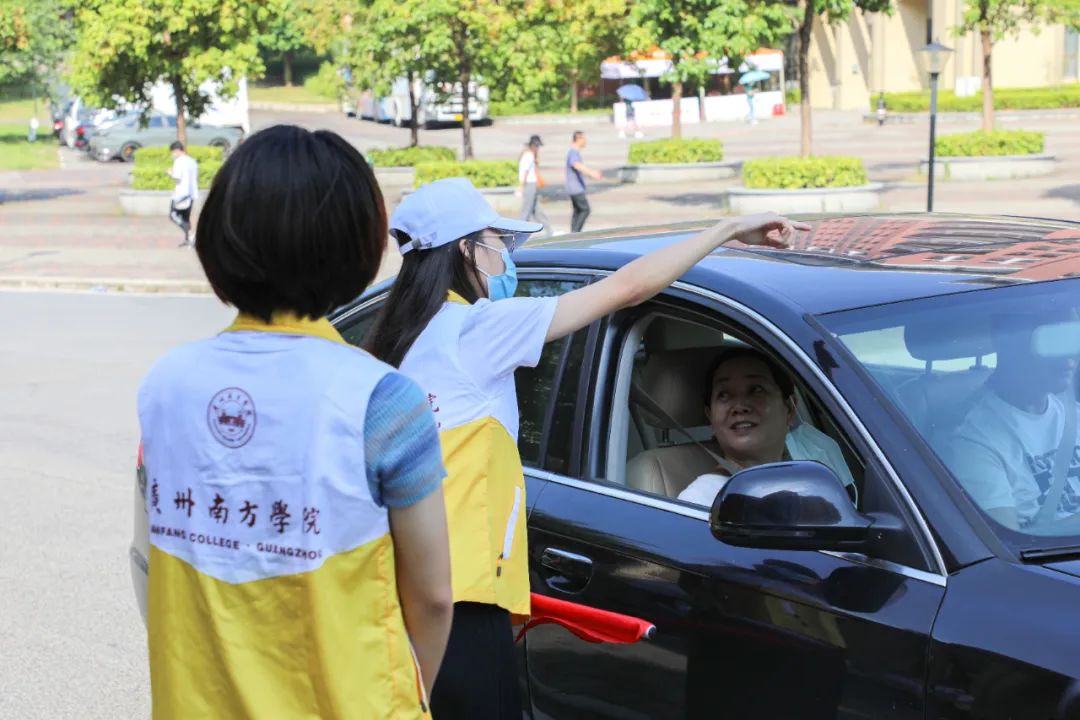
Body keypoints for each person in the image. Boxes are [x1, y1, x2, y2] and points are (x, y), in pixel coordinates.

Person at [365, 176, 806, 719]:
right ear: (465, 250)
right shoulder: (476, 329)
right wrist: (727, 229)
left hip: (407, 592)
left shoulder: (403, 342)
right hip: (462, 602)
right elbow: (628, 288)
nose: (506, 257)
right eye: (499, 241)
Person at [135, 125, 453, 719]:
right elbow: (433, 597)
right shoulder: (381, 400)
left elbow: (153, 563)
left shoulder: (165, 385)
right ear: (355, 245)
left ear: (221, 237)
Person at [946, 310, 1080, 532]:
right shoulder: (971, 441)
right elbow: (1006, 542)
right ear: (1009, 345)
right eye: (1051, 342)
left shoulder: (1073, 413)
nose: (1069, 360)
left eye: (1072, 341)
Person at [678, 347, 857, 507]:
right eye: (724, 394)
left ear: (790, 409)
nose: (739, 406)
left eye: (756, 390)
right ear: (710, 416)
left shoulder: (817, 468)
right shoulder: (701, 501)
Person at [565, 130, 604, 233]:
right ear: (578, 139)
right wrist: (591, 173)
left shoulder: (573, 152)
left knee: (577, 211)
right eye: (584, 139)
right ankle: (575, 232)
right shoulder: (573, 152)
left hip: (574, 188)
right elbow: (576, 164)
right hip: (575, 188)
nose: (586, 141)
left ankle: (573, 233)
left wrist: (590, 174)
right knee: (585, 210)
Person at [517, 134, 551, 238]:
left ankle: (549, 231)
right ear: (533, 146)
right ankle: (519, 233)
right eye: (537, 146)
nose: (538, 148)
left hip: (531, 184)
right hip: (529, 184)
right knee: (526, 211)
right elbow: (526, 171)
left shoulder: (529, 155)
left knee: (537, 210)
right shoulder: (529, 155)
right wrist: (521, 186)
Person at [167, 141, 198, 247]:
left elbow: (177, 177)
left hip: (180, 194)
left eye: (172, 152)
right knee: (185, 217)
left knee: (173, 215)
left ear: (176, 150)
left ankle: (190, 234)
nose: (172, 155)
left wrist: (170, 173)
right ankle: (188, 239)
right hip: (191, 193)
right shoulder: (192, 161)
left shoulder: (179, 161)